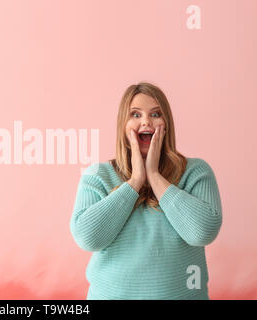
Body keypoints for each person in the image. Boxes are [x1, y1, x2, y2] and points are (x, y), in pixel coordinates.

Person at [69, 82, 222, 300]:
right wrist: (135, 182)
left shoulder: (196, 172)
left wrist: (155, 176)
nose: (146, 121)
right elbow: (87, 238)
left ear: (166, 123)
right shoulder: (97, 176)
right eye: (136, 114)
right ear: (124, 125)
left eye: (156, 114)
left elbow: (202, 232)